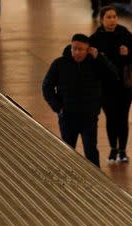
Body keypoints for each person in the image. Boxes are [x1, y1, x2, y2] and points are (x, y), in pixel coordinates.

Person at [42, 34, 117, 167]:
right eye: (74, 48)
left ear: (88, 50)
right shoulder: (59, 64)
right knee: (67, 150)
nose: (77, 52)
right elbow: (46, 86)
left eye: (81, 49)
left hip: (89, 116)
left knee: (91, 150)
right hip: (67, 116)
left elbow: (113, 77)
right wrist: (58, 107)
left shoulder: (95, 63)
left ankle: (96, 180)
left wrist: (99, 58)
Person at [90, 5, 132, 164]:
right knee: (111, 117)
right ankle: (113, 148)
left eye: (114, 17)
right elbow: (91, 62)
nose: (112, 20)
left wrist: (128, 55)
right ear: (101, 20)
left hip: (124, 84)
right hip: (106, 85)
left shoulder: (124, 33)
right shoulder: (96, 38)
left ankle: (123, 150)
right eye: (108, 17)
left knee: (122, 116)